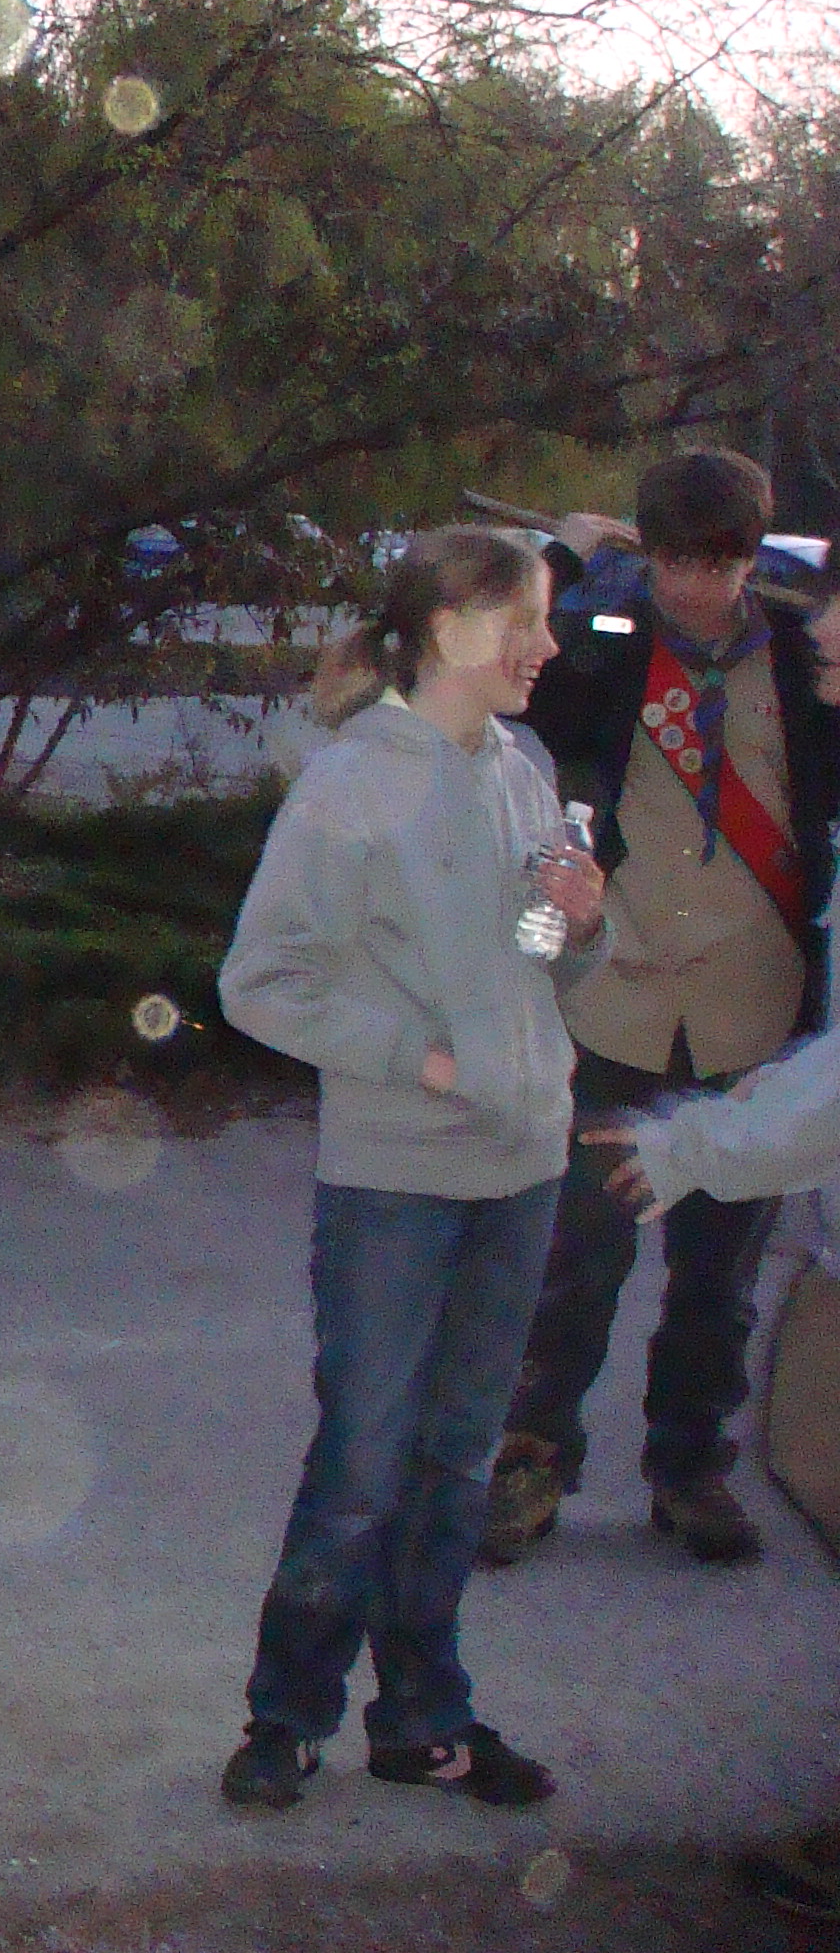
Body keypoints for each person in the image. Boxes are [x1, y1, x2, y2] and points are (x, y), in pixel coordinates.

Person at [212, 526, 607, 1813]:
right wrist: (419, 1062)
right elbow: (260, 983)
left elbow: (539, 963)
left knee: (456, 1464)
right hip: (395, 1179)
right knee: (364, 1465)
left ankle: (424, 1719)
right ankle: (287, 1716)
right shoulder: (350, 786)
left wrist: (581, 924)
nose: (548, 647)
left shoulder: (524, 769)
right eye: (526, 622)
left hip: (523, 1166)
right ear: (447, 629)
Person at [480, 451, 840, 1567]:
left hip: (754, 998)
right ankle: (531, 1458)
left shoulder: (804, 653)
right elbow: (488, 656)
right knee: (575, 1262)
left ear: (752, 554)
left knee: (719, 1279)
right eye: (675, 561)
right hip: (619, 997)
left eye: (719, 564)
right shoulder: (604, 641)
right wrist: (563, 554)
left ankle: (691, 1469)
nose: (694, 587)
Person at [576, 572, 840, 1918]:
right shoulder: (621, 654)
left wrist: (694, 1148)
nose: (821, 642)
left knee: (743, 1331)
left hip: (752, 1076)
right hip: (651, 1030)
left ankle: (688, 1466)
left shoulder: (789, 688)